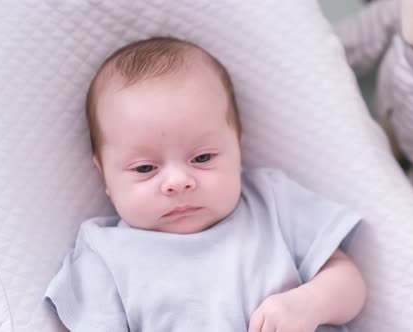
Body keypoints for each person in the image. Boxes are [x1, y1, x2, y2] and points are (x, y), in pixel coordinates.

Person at [45, 36, 367, 332]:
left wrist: (309, 304)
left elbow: (349, 282)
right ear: (105, 178)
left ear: (237, 148)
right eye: (145, 168)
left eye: (202, 158)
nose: (178, 182)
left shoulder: (271, 201)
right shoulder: (104, 254)